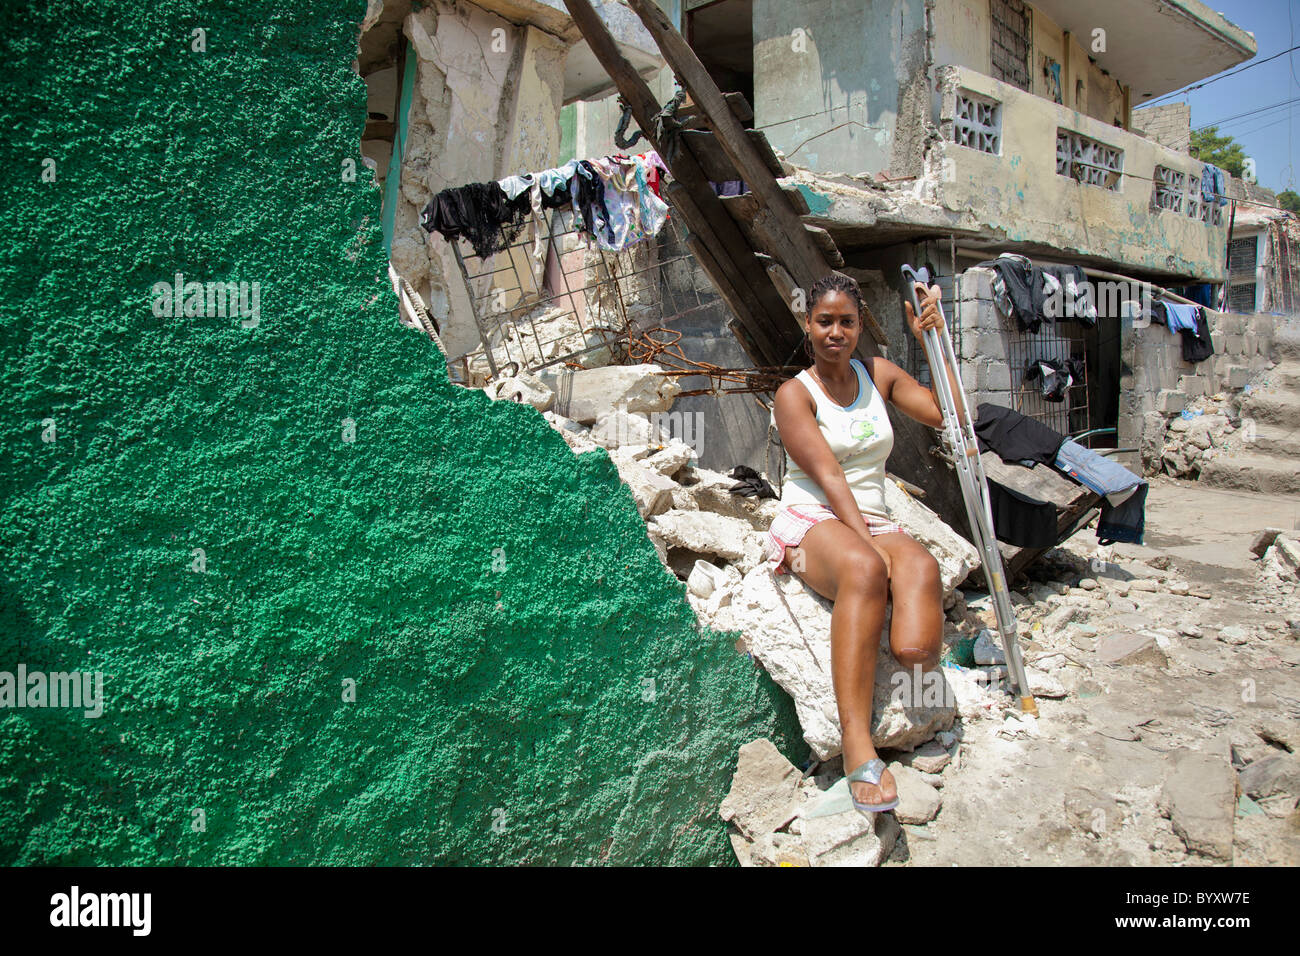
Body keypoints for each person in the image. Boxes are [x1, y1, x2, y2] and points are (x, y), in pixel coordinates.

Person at [766, 273, 961, 813]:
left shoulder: (878, 374)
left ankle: (919, 711)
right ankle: (857, 744)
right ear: (809, 325)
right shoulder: (793, 395)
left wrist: (932, 341)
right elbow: (828, 476)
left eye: (846, 322)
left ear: (858, 328)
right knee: (866, 571)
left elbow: (951, 416)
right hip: (813, 519)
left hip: (874, 516)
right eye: (824, 321)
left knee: (919, 588)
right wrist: (868, 548)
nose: (836, 332)